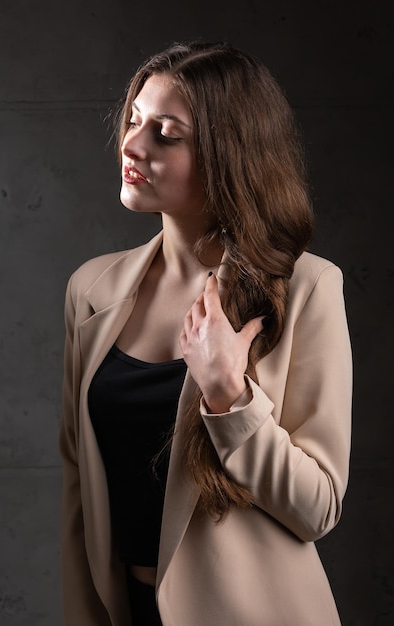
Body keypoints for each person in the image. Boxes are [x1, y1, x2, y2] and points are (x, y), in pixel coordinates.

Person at [59, 41, 352, 626]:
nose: (132, 145)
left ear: (228, 153)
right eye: (135, 121)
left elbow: (318, 507)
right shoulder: (91, 290)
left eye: (166, 134)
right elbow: (78, 494)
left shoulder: (306, 289)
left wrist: (231, 398)